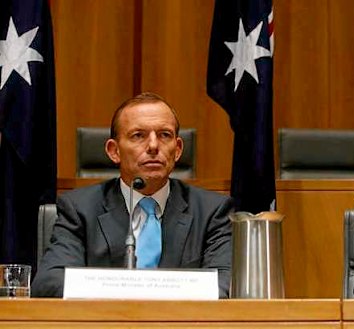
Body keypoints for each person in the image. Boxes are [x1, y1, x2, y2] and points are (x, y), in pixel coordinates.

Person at [32, 92, 233, 298]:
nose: (154, 146)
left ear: (178, 149)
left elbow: (225, 286)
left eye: (164, 135)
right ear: (114, 151)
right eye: (138, 135)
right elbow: (50, 282)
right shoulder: (80, 209)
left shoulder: (211, 212)